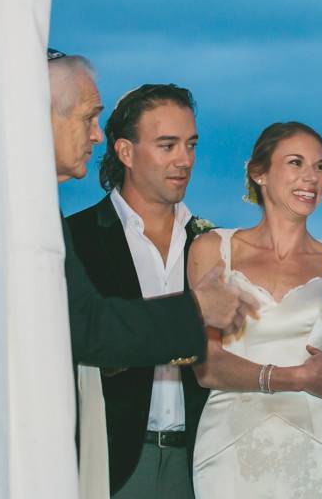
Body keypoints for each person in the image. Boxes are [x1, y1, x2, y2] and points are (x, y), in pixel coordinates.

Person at [188, 122, 322, 499]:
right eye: (296, 163)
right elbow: (206, 366)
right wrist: (296, 377)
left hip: (311, 450)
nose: (311, 178)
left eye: (321, 166)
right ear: (259, 173)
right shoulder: (212, 250)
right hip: (228, 445)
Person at [66, 84, 217, 498]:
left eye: (191, 145)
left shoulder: (216, 244)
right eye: (167, 145)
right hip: (109, 463)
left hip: (200, 465)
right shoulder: (74, 239)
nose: (184, 160)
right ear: (125, 152)